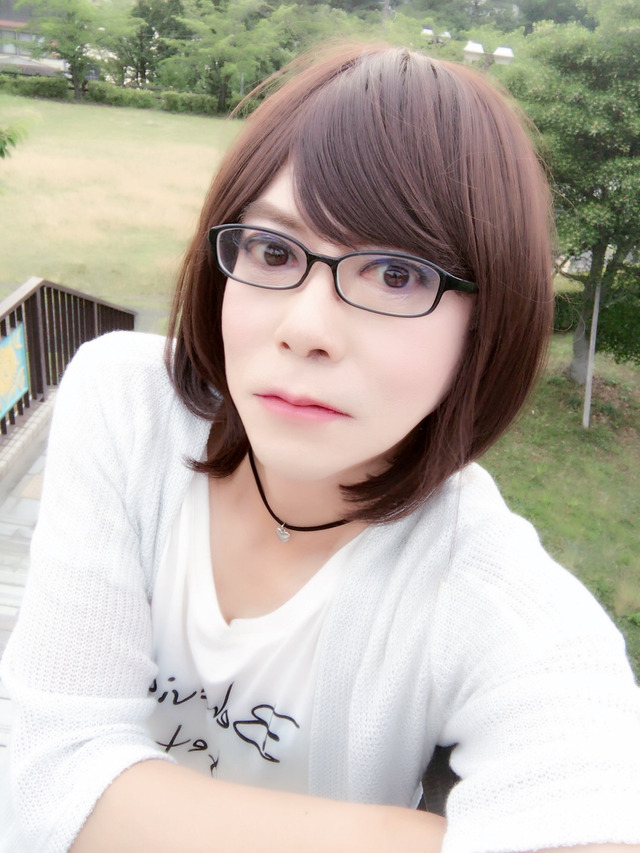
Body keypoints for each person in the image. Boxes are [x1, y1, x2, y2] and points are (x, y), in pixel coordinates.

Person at [1, 43, 639, 853]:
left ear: (488, 320)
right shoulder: (129, 405)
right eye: (273, 252)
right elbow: (44, 780)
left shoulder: (494, 595)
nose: (306, 328)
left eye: (397, 275)